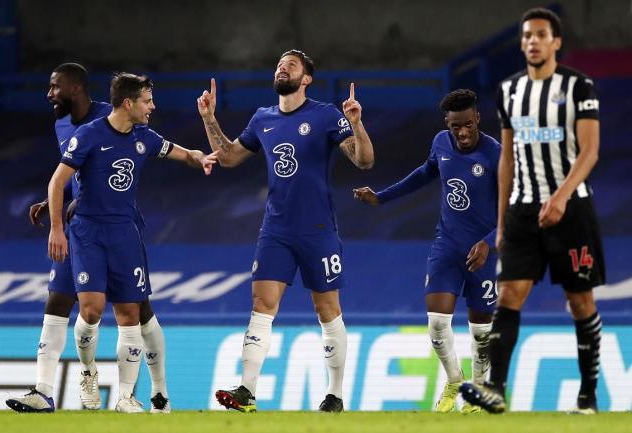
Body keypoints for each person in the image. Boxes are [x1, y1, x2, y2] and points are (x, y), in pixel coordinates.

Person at [197, 49, 374, 413]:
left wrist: (356, 123)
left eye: (291, 65)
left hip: (318, 229)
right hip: (275, 228)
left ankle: (335, 395)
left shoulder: (326, 115)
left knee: (327, 309)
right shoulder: (263, 119)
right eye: (279, 64)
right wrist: (209, 118)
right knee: (261, 305)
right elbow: (229, 156)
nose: (283, 68)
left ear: (306, 78)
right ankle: (246, 391)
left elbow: (363, 161)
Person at [460, 8, 604, 415]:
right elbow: (506, 159)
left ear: (556, 42)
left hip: (571, 209)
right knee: (509, 294)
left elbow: (590, 150)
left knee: (580, 301)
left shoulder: (579, 86)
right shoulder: (509, 90)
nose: (533, 41)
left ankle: (588, 396)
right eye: (527, 36)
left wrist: (560, 196)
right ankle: (495, 389)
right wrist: (501, 223)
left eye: (541, 34)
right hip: (523, 211)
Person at [45, 72, 217, 412]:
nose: (152, 106)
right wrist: (56, 229)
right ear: (128, 103)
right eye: (147, 101)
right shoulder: (89, 136)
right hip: (88, 232)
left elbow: (180, 153)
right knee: (91, 310)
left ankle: (125, 396)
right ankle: (89, 373)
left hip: (125, 234)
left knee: (129, 314)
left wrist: (200, 157)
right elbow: (56, 183)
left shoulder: (144, 137)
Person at [6, 63, 171, 414]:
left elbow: (113, 170)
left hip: (117, 226)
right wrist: (60, 204)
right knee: (59, 302)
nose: (50, 94)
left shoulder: (109, 116)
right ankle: (44, 390)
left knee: (138, 310)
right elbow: (73, 173)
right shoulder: (62, 125)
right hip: (80, 228)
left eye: (56, 87)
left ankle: (158, 391)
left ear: (76, 88)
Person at [353, 89, 499, 414]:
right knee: (436, 322)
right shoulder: (440, 143)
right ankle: (454, 380)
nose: (461, 133)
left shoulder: (496, 155)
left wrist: (489, 242)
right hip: (447, 245)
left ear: (477, 119)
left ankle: (477, 391)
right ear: (446, 124)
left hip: (485, 252)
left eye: (467, 125)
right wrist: (382, 196)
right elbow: (424, 173)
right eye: (454, 126)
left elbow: (512, 210)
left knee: (482, 331)